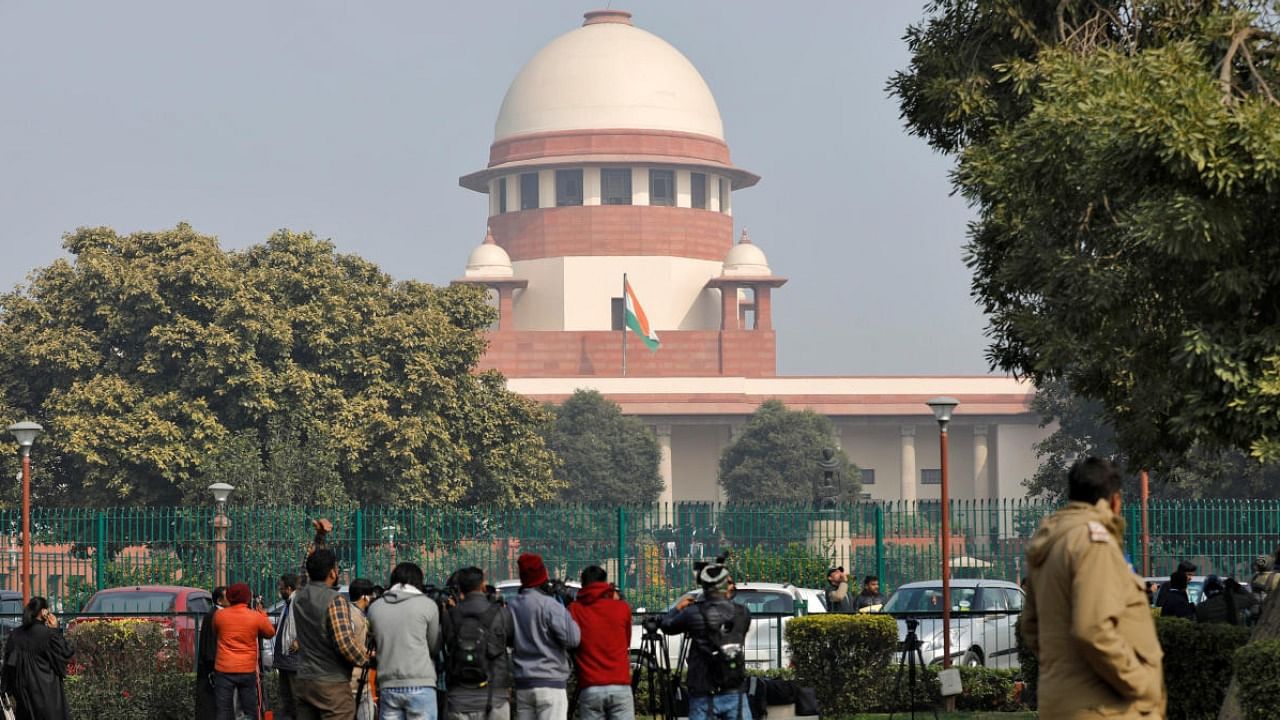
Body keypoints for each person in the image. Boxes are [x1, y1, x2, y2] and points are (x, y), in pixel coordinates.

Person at [1020, 457, 1165, 719]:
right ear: (1114, 500)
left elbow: (1031, 626)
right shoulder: (1093, 542)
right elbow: (1093, 629)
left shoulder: (1052, 542)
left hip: (1067, 700)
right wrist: (1141, 683)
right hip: (1104, 706)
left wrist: (1067, 669)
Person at [662, 563, 752, 720]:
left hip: (702, 692)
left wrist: (677, 608)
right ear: (725, 586)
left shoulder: (692, 613)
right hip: (734, 690)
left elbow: (667, 626)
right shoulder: (742, 613)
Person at [292, 548, 371, 720]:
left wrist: (319, 537)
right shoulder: (335, 600)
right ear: (333, 572)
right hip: (331, 686)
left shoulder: (299, 597)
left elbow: (304, 576)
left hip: (304, 680)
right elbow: (345, 644)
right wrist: (370, 659)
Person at [507, 553, 580, 720]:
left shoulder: (512, 606)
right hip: (550, 682)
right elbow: (572, 639)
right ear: (544, 573)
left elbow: (508, 638)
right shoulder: (550, 605)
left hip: (524, 683)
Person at [366, 562, 441, 720]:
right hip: (421, 682)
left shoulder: (375, 608)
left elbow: (373, 642)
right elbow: (433, 646)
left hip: (388, 683)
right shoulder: (428, 605)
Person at [443, 566, 515, 720]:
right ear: (483, 585)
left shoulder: (450, 616)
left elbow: (446, 645)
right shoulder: (501, 614)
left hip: (459, 698)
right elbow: (511, 643)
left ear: (460, 588)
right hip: (494, 696)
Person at [568, 566, 633, 720]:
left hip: (590, 684)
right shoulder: (622, 608)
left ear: (583, 584)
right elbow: (626, 640)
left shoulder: (574, 610)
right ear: (605, 583)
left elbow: (570, 642)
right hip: (620, 683)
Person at [0, 596, 73, 720]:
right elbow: (66, 653)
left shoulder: (15, 634)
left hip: (24, 698)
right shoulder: (48, 634)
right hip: (47, 696)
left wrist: (6, 689)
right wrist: (55, 630)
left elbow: (8, 665)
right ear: (44, 612)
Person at [213, 582, 276, 720]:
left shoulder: (219, 616)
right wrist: (263, 615)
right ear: (247, 597)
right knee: (250, 710)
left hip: (224, 669)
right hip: (246, 669)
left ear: (229, 597)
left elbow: (216, 631)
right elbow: (270, 633)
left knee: (223, 710)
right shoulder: (255, 616)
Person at [198, 585, 230, 720]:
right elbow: (210, 646)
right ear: (219, 600)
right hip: (212, 668)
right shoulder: (214, 616)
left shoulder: (217, 614)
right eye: (227, 597)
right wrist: (215, 667)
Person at [274, 574, 301, 720]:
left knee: (296, 697)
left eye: (281, 587)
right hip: (285, 660)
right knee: (286, 697)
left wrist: (300, 641)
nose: (280, 590)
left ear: (289, 589)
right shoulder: (288, 604)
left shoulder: (298, 602)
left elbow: (309, 624)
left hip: (294, 661)